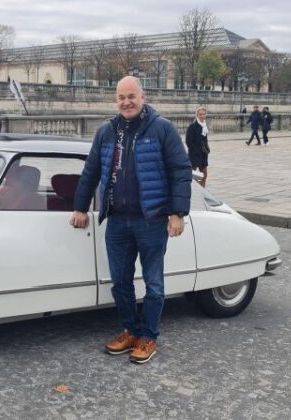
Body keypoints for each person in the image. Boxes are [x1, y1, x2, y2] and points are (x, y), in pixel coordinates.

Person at [71, 76, 192, 364]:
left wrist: (177, 213)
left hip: (150, 220)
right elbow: (90, 172)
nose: (126, 102)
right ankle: (130, 330)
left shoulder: (162, 128)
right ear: (116, 100)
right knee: (120, 282)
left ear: (143, 96)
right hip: (117, 220)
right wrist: (79, 207)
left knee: (154, 283)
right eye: (121, 97)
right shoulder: (107, 131)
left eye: (131, 96)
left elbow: (180, 170)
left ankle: (149, 336)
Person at [185, 107, 210, 187]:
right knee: (193, 177)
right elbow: (188, 141)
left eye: (203, 114)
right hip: (194, 155)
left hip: (203, 155)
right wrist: (196, 151)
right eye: (200, 114)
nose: (202, 116)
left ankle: (202, 192)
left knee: (204, 175)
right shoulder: (192, 127)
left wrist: (207, 148)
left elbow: (205, 140)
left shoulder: (204, 126)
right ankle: (193, 193)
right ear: (197, 115)